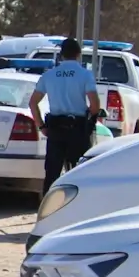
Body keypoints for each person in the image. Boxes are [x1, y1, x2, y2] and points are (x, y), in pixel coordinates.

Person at [28, 37, 101, 195]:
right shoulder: (85, 75)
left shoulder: (49, 76)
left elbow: (33, 103)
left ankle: (48, 211)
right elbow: (95, 106)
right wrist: (91, 116)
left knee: (52, 175)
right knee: (80, 173)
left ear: (61, 55)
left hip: (55, 130)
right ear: (78, 54)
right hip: (78, 130)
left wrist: (41, 126)